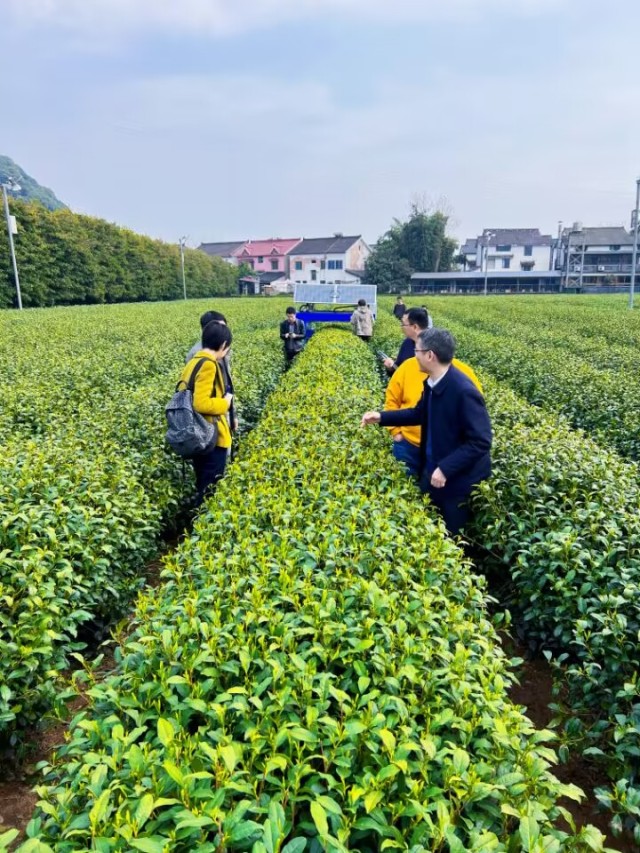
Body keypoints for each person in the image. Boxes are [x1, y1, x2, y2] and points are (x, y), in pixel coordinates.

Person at [362, 328, 492, 536]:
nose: (414, 355)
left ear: (430, 355)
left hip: (456, 481)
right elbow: (420, 413)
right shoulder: (432, 381)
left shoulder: (464, 391)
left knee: (451, 535)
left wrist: (446, 469)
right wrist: (382, 417)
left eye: (417, 350)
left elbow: (481, 441)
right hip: (432, 469)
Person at [385, 347, 483, 478]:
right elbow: (392, 399)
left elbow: (475, 412)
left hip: (445, 450)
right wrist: (395, 431)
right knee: (403, 484)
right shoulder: (408, 367)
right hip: (408, 445)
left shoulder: (464, 372)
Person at [179, 321, 234, 507]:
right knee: (210, 491)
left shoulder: (194, 361)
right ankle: (201, 521)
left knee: (203, 484)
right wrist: (225, 403)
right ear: (223, 344)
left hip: (197, 434)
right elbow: (201, 403)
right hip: (211, 438)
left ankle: (197, 517)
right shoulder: (209, 364)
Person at [186, 310, 238, 434]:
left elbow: (226, 385)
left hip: (220, 415)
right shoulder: (202, 359)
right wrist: (225, 405)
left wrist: (232, 415)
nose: (223, 332)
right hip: (210, 423)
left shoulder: (219, 352)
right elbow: (200, 402)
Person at [382, 307, 428, 374]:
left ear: (415, 327)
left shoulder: (433, 348)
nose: (401, 327)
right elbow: (398, 368)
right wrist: (391, 367)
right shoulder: (407, 342)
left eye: (403, 324)